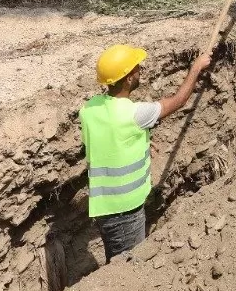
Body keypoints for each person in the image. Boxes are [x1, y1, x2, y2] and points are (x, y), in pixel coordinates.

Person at [80, 43, 213, 261]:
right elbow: (179, 101)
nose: (141, 70)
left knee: (116, 259)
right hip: (125, 211)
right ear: (129, 78)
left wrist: (138, 142)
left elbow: (105, 137)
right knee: (126, 266)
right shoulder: (135, 114)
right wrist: (196, 68)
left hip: (104, 207)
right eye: (137, 68)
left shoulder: (89, 108)